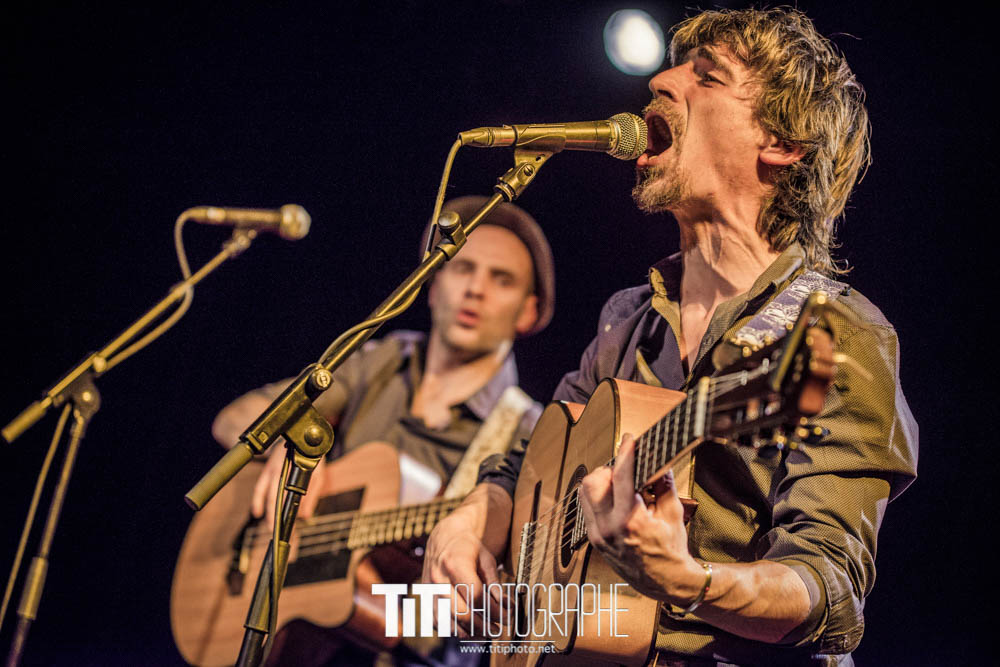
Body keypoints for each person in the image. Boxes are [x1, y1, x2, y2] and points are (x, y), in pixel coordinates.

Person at [422, 8, 918, 666]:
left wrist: (684, 581)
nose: (659, 79)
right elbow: (527, 459)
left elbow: (827, 590)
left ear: (781, 143)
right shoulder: (626, 319)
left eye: (706, 77)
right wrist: (476, 510)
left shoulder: (836, 334)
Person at [210, 195, 556, 664]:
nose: (475, 289)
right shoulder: (380, 361)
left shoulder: (528, 430)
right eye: (462, 268)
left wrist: (374, 594)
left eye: (502, 279)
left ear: (529, 312)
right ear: (433, 286)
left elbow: (503, 615)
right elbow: (237, 417)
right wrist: (284, 452)